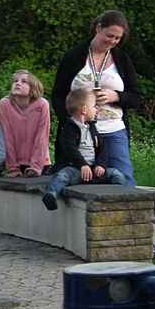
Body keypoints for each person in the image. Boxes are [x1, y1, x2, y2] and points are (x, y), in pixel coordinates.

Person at [51, 10, 139, 186]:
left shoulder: (122, 59)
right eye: (109, 35)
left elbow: (136, 98)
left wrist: (116, 96)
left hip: (114, 130)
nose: (112, 41)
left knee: (124, 179)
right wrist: (71, 122)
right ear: (98, 28)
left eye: (117, 38)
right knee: (77, 179)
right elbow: (58, 96)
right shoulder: (73, 56)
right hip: (80, 132)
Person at [42, 89, 127, 211]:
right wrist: (82, 165)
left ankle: (120, 197)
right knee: (62, 175)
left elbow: (103, 148)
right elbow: (70, 149)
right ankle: (51, 194)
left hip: (94, 172)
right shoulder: (69, 128)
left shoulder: (92, 127)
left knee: (116, 174)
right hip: (75, 170)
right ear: (84, 110)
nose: (96, 109)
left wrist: (100, 165)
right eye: (94, 106)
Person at [0, 70, 51, 177]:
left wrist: (36, 166)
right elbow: (7, 136)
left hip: (40, 164)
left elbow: (42, 137)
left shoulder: (42, 104)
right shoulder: (5, 104)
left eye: (24, 81)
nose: (18, 83)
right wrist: (12, 167)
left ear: (33, 88)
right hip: (16, 164)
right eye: (15, 81)